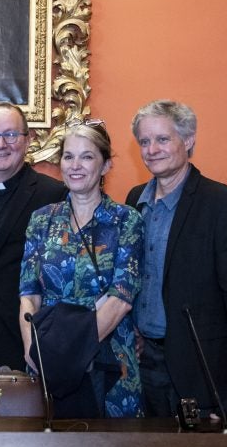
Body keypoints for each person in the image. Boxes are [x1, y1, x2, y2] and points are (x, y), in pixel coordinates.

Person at [126, 100, 227, 422]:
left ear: (188, 141)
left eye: (162, 139)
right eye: (144, 142)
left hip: (201, 371)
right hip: (144, 366)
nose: (152, 150)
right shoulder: (134, 201)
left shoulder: (223, 204)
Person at [19, 122, 144, 418]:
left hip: (109, 363)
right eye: (68, 156)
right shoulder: (41, 220)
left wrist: (68, 355)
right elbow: (29, 295)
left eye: (87, 157)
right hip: (46, 364)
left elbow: (121, 299)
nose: (75, 166)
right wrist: (31, 348)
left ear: (105, 166)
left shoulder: (127, 221)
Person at [0, 102, 67, 369]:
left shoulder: (52, 194)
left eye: (11, 135)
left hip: (24, 336)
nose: (0, 144)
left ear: (28, 140)